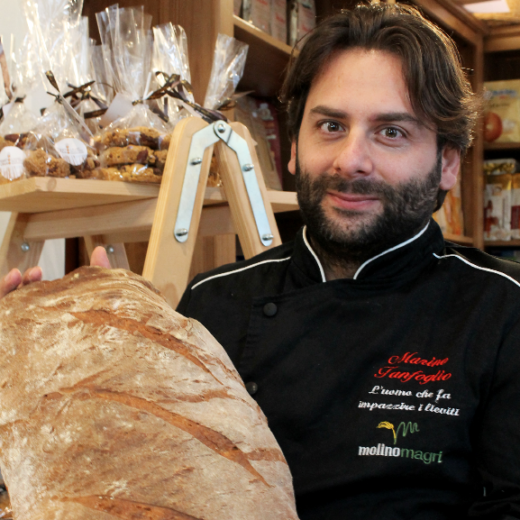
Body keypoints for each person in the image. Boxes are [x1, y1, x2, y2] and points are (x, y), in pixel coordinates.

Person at [1, 3, 519, 518]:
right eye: (331, 127)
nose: (351, 160)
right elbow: (126, 482)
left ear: (447, 163)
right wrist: (36, 385)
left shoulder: (501, 311)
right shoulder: (212, 302)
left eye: (391, 132)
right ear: (293, 148)